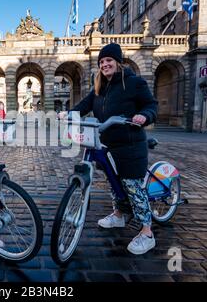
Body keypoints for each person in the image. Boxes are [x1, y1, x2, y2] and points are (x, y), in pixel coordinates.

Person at [67, 43, 158, 255]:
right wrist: (69, 114)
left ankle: (147, 232)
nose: (105, 64)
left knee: (132, 185)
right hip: (108, 143)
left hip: (130, 144)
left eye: (108, 60)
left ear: (118, 62)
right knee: (113, 181)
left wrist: (144, 116)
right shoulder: (99, 88)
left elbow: (151, 105)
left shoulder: (134, 83)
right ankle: (118, 215)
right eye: (101, 62)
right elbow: (84, 105)